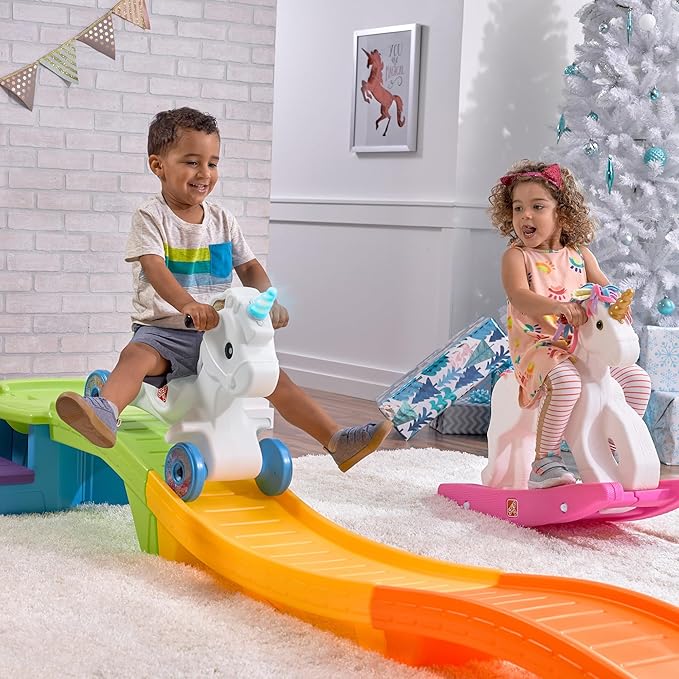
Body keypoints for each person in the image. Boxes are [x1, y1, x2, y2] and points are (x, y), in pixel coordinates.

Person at [56, 107, 390, 472]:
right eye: (192, 162)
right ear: (158, 165)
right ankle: (105, 412)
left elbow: (248, 267)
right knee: (136, 355)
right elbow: (155, 268)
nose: (204, 173)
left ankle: (336, 440)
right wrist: (187, 304)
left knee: (274, 378)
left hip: (218, 333)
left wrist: (268, 299)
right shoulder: (151, 216)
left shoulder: (222, 220)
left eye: (212, 163)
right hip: (165, 331)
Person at [488, 160, 651, 489]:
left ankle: (611, 442)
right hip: (541, 348)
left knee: (637, 380)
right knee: (565, 382)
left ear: (562, 214)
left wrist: (615, 304)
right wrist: (558, 307)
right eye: (518, 208)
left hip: (584, 349)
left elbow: (604, 289)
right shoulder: (517, 257)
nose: (525, 216)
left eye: (537, 207)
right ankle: (544, 460)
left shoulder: (580, 254)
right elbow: (520, 296)